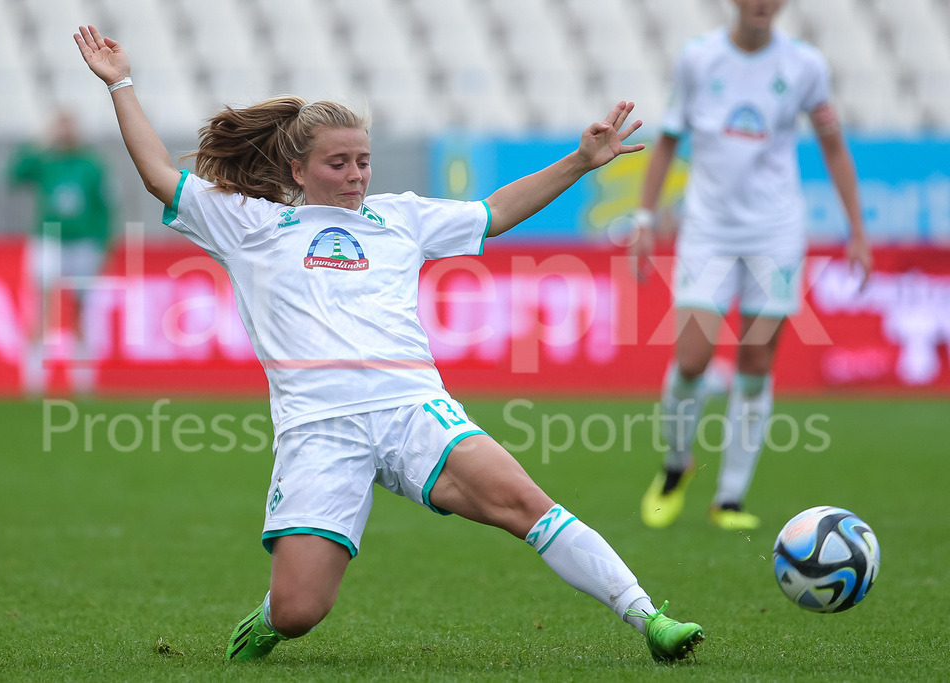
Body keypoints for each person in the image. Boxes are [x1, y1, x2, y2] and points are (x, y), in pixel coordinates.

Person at [74, 24, 704, 665]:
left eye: (363, 161)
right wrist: (121, 83)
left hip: (412, 406)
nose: (355, 175)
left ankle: (648, 617)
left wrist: (579, 161)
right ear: (298, 169)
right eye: (338, 163)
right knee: (299, 612)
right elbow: (158, 174)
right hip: (318, 429)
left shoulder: (400, 218)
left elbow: (495, 213)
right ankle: (271, 616)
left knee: (523, 502)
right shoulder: (252, 225)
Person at [629, 0, 872, 530]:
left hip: (774, 233)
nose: (763, 4)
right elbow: (667, 142)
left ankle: (730, 499)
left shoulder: (805, 66)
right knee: (693, 357)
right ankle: (676, 466)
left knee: (756, 361)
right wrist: (645, 217)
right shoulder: (698, 59)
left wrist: (856, 229)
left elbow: (833, 146)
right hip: (708, 230)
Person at [8, 108, 112, 395]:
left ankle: (82, 383)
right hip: (49, 240)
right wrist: (38, 142)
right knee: (40, 307)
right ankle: (33, 383)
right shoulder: (45, 160)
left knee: (79, 310)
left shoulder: (91, 165)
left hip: (82, 243)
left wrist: (101, 245)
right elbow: (14, 175)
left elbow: (105, 207)